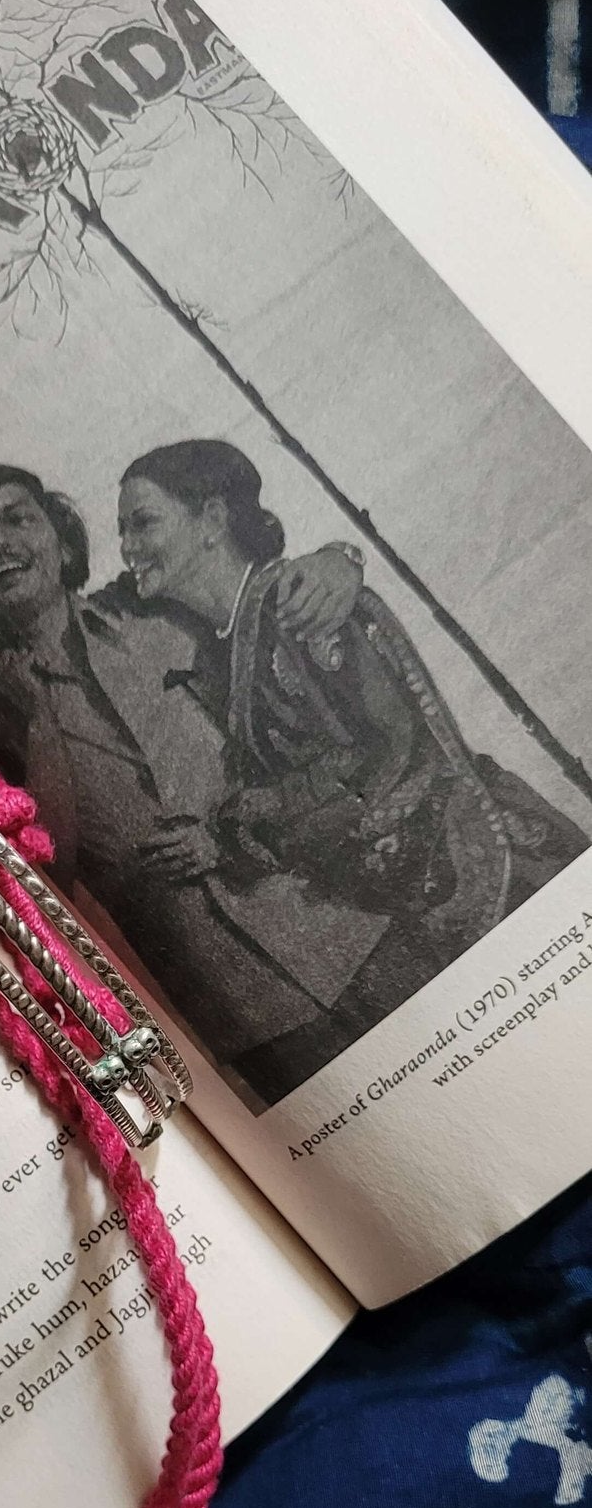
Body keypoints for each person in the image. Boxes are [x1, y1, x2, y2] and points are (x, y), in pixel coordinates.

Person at [116, 440, 588, 1090]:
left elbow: (378, 760)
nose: (127, 546)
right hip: (426, 896)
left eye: (143, 522)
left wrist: (231, 834)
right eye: (120, 530)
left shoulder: (303, 601)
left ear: (213, 520)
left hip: (494, 870)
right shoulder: (229, 642)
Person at [0, 461, 369, 1096]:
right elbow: (46, 892)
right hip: (241, 1004)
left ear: (60, 537)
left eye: (17, 518)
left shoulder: (153, 604)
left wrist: (341, 557)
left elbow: (258, 596)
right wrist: (35, 723)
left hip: (339, 909)